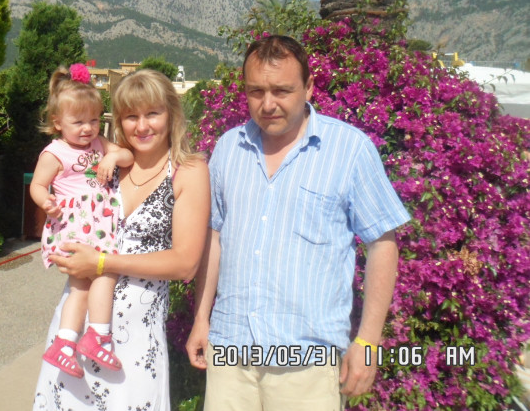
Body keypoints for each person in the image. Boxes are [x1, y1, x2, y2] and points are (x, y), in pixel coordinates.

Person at [185, 35, 410, 411]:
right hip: (230, 352)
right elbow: (215, 240)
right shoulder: (228, 149)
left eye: (282, 90)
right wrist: (201, 319)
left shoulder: (349, 149)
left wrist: (368, 341)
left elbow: (382, 244)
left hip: (308, 362)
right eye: (256, 91)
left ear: (308, 87)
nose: (268, 104)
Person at [32, 68, 210, 410]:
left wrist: (101, 262)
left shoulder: (188, 171)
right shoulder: (102, 161)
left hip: (134, 341)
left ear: (171, 114)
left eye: (152, 113)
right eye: (131, 116)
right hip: (74, 332)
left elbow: (185, 263)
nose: (142, 126)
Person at [30, 64, 134, 378]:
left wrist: (112, 156)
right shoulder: (55, 153)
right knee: (97, 277)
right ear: (57, 122)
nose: (88, 128)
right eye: (78, 122)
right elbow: (37, 185)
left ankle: (66, 343)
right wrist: (45, 201)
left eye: (94, 120)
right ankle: (95, 336)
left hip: (98, 223)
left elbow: (128, 156)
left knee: (89, 284)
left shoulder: (99, 144)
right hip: (75, 224)